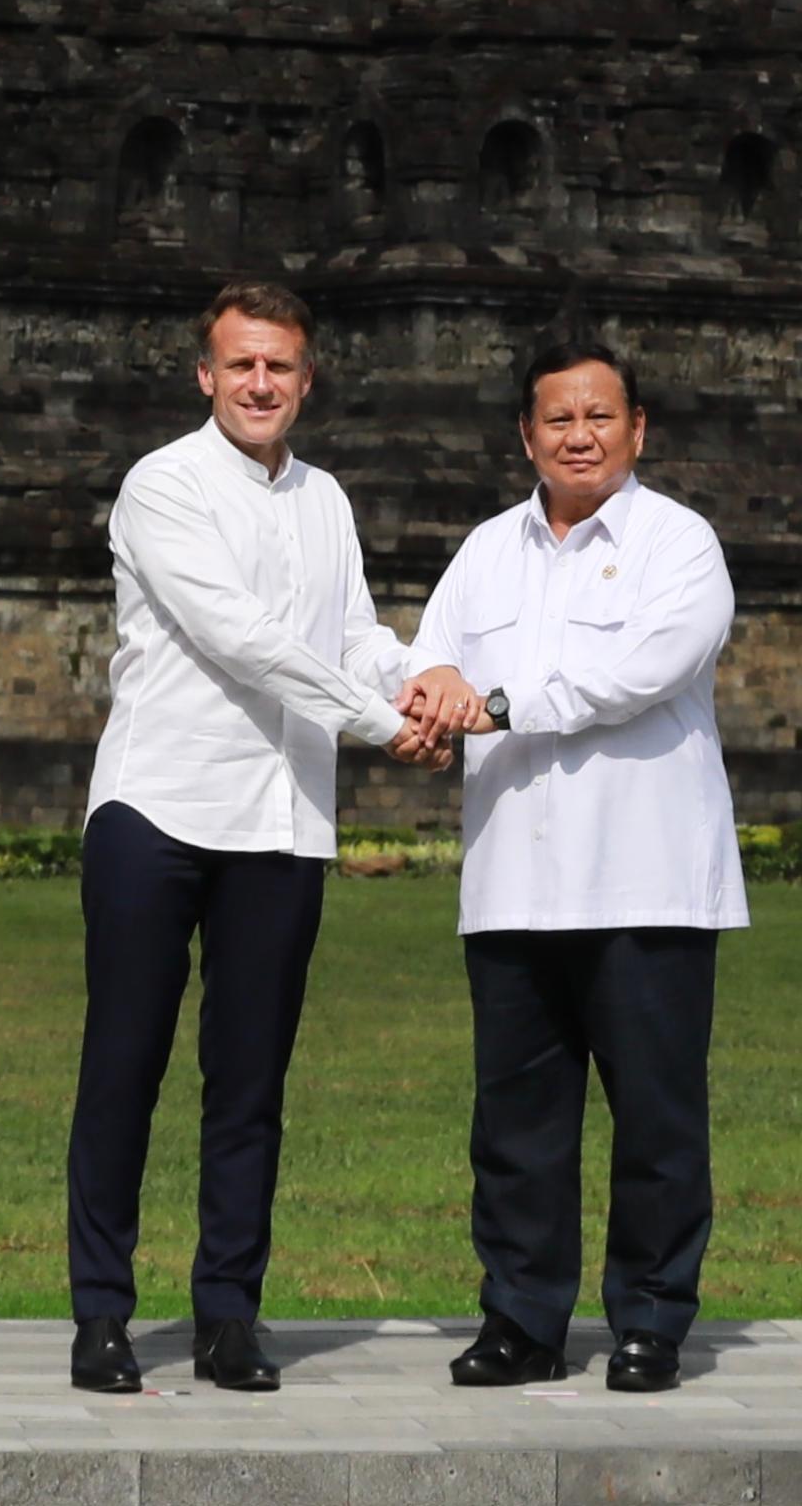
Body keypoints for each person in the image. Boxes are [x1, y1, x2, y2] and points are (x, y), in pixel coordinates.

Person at [66, 280, 420, 1397]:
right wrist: (381, 724)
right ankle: (101, 1314)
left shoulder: (326, 500)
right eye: (241, 365)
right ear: (205, 376)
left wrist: (428, 685)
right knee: (125, 1062)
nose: (260, 384)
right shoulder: (161, 485)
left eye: (280, 367)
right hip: (158, 809)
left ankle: (228, 1312)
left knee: (250, 1079)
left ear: (305, 381)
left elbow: (353, 632)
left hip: (278, 817)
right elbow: (241, 637)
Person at [394, 338, 745, 1396]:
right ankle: (519, 1318)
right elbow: (430, 653)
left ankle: (647, 1319)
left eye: (599, 416)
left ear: (638, 429)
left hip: (644, 880)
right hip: (511, 880)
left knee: (654, 1116)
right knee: (515, 1124)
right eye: (557, 419)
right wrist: (430, 693)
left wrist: (491, 704)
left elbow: (635, 671)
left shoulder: (678, 545)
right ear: (524, 435)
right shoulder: (486, 550)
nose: (578, 435)